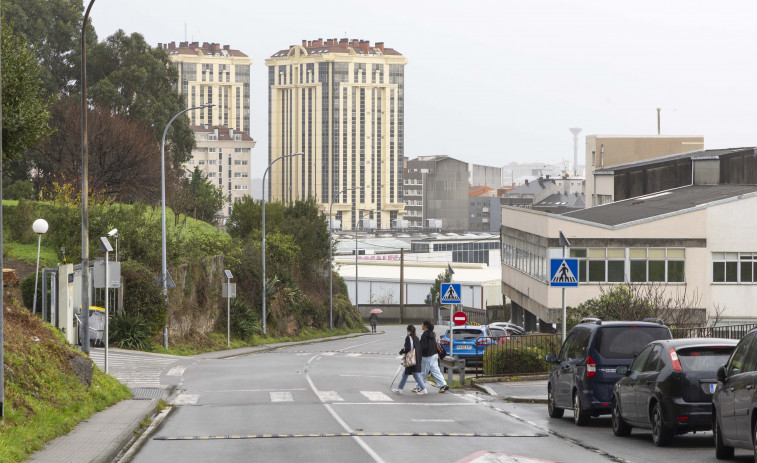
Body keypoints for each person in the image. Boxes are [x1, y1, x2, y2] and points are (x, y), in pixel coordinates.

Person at [393, 324, 427, 394]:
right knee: (406, 374)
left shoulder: (408, 337)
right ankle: (400, 389)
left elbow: (408, 348)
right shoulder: (416, 338)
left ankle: (423, 389)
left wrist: (402, 351)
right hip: (416, 358)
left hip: (411, 358)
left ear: (408, 330)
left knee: (415, 374)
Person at [419, 320, 449, 393]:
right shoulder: (432, 334)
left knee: (423, 372)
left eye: (422, 324)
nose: (421, 325)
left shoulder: (424, 335)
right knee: (436, 371)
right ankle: (443, 385)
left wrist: (418, 350)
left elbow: (424, 346)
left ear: (425, 326)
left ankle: (420, 387)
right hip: (434, 355)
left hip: (427, 356)